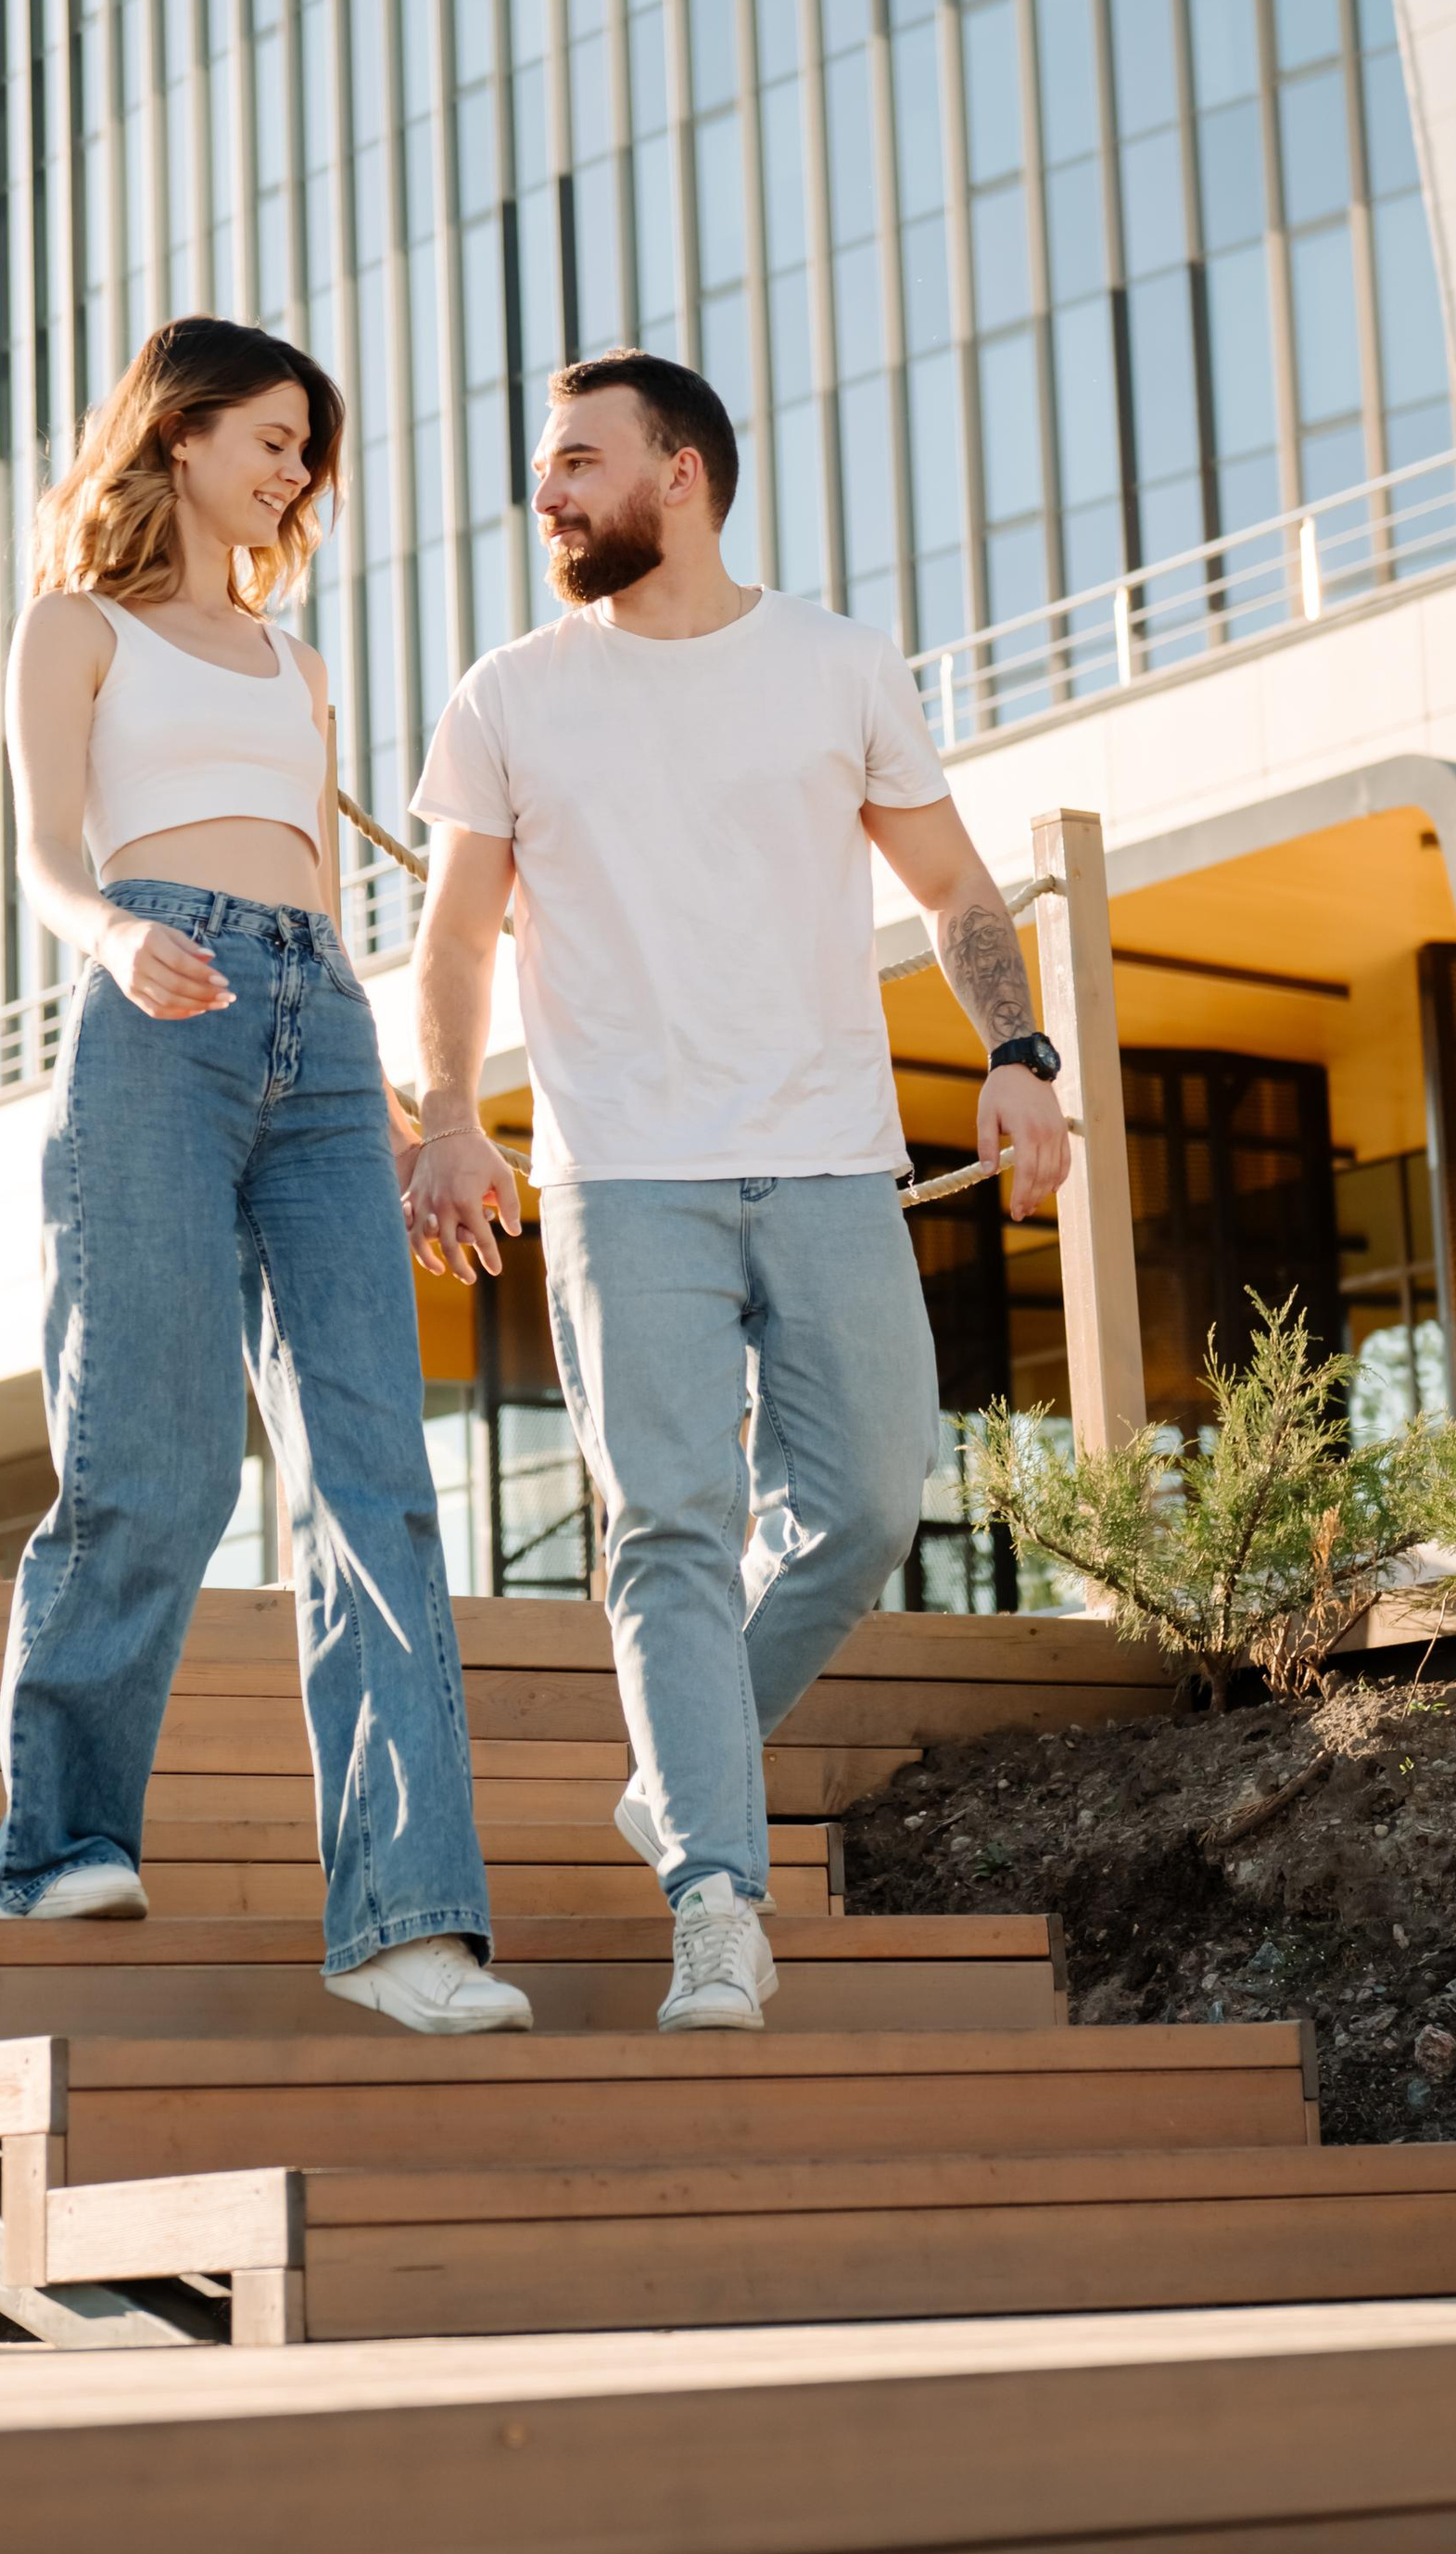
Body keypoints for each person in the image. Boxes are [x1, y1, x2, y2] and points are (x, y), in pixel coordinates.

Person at [405, 349, 1070, 2030]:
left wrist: (1019, 1048)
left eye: (574, 461)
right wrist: (449, 1120)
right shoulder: (509, 695)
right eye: (541, 469)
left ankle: (677, 1767)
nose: (543, 494)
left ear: (678, 471)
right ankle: (717, 1894)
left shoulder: (836, 664)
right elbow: (455, 935)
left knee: (867, 1504)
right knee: (672, 1532)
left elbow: (950, 883)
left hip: (832, 1153)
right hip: (624, 1177)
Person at [0, 314, 529, 2037]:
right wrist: (118, 933)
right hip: (156, 1014)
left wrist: (392, 1105)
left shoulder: (298, 665)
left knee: (377, 1468)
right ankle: (62, 1831)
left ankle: (408, 1921)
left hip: (317, 1026)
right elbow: (50, 859)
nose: (296, 468)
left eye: (308, 446)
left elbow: (322, 893)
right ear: (179, 435)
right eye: (272, 435)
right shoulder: (73, 629)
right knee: (149, 1450)